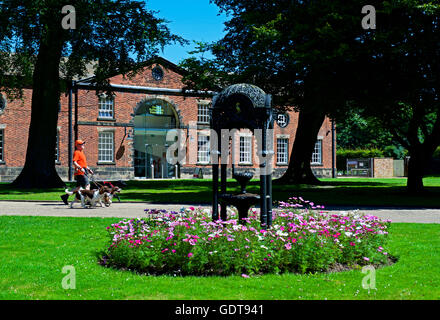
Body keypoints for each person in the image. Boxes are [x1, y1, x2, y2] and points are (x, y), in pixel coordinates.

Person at [61, 139, 94, 205]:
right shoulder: (77, 152)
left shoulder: (81, 152)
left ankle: (65, 196)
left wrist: (88, 169)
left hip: (82, 171)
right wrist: (80, 168)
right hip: (80, 172)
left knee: (78, 187)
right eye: (82, 144)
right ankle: (88, 200)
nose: (83, 145)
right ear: (77, 145)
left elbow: (83, 164)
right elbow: (74, 162)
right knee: (87, 185)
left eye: (83, 143)